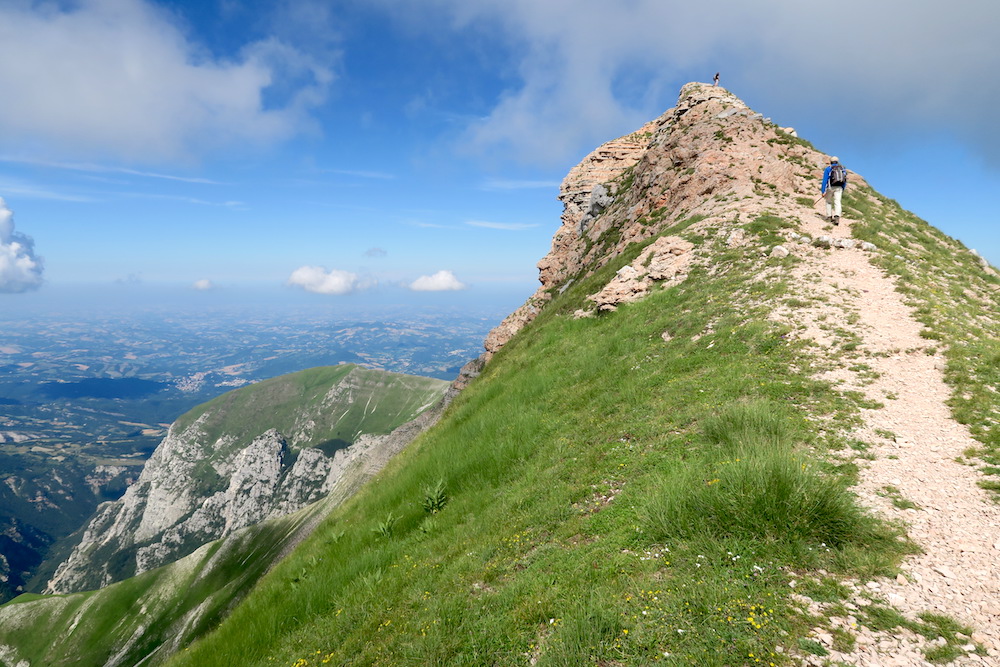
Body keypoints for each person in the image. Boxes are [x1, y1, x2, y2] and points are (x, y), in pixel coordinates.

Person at [821, 156, 847, 225]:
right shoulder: (842, 169)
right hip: (839, 187)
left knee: (828, 201)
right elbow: (845, 180)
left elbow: (824, 180)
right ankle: (837, 217)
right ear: (837, 161)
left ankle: (829, 217)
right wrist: (843, 188)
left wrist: (823, 191)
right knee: (837, 202)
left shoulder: (828, 169)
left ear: (830, 162)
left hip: (830, 187)